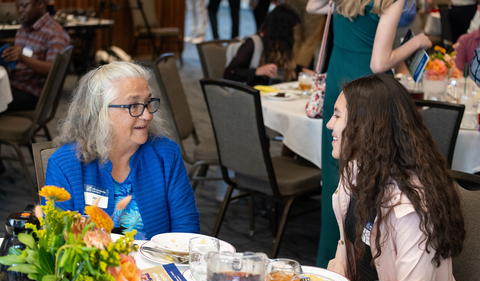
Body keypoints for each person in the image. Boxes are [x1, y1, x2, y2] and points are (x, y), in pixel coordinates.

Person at [326, 73, 467, 281]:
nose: (329, 123)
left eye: (337, 115)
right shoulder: (356, 170)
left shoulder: (411, 210)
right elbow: (347, 248)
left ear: (365, 127)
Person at [307, 0, 432, 268]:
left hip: (337, 84)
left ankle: (331, 261)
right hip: (366, 92)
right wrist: (417, 42)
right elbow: (378, 63)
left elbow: (312, 6)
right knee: (372, 176)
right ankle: (369, 265)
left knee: (336, 174)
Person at [45, 61, 200, 240]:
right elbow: (57, 239)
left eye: (148, 102)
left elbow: (186, 229)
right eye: (133, 105)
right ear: (99, 112)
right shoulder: (65, 164)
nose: (147, 115)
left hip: (156, 266)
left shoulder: (166, 154)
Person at [1, 0, 70, 112]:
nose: (20, 11)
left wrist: (22, 58)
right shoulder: (23, 28)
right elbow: (21, 64)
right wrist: (9, 68)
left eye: (24, 6)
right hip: (16, 84)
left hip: (33, 94)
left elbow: (53, 69)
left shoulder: (55, 33)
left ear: (40, 4)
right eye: (17, 7)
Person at [224, 4, 314, 86]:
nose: (294, 35)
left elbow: (280, 68)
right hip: (251, 97)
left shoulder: (279, 45)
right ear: (284, 31)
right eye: (292, 31)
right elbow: (229, 74)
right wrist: (257, 71)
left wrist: (301, 70)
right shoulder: (253, 43)